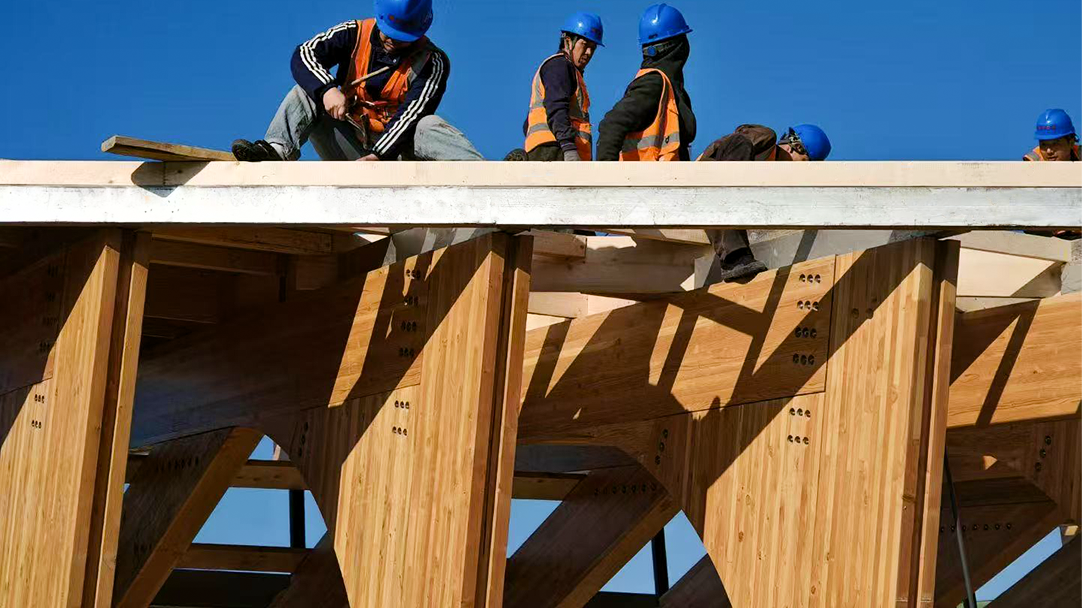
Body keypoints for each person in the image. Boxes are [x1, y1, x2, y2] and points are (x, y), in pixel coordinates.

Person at [231, 0, 482, 162]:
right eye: (390, 34)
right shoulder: (353, 33)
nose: (394, 41)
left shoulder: (432, 61)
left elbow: (412, 115)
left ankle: (489, 177)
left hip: (397, 159)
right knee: (305, 92)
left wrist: (379, 155)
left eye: (403, 37)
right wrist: (327, 90)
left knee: (429, 124)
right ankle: (276, 152)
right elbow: (304, 54)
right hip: (351, 149)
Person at [699, 124, 832, 281]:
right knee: (740, 144)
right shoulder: (765, 139)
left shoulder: (777, 183)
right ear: (795, 148)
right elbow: (734, 144)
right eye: (804, 163)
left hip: (716, 205)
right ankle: (734, 256)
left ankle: (737, 253)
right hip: (702, 184)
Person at [595, 3, 695, 161]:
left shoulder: (674, 91)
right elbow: (611, 125)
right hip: (649, 182)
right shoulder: (653, 83)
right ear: (674, 47)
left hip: (672, 180)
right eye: (682, 39)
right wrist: (609, 180)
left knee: (737, 143)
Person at [511, 12, 604, 162]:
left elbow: (529, 123)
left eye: (593, 48)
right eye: (585, 45)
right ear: (568, 41)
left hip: (557, 149)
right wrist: (568, 148)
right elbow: (556, 107)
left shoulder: (571, 72)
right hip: (555, 150)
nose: (588, 52)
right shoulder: (559, 66)